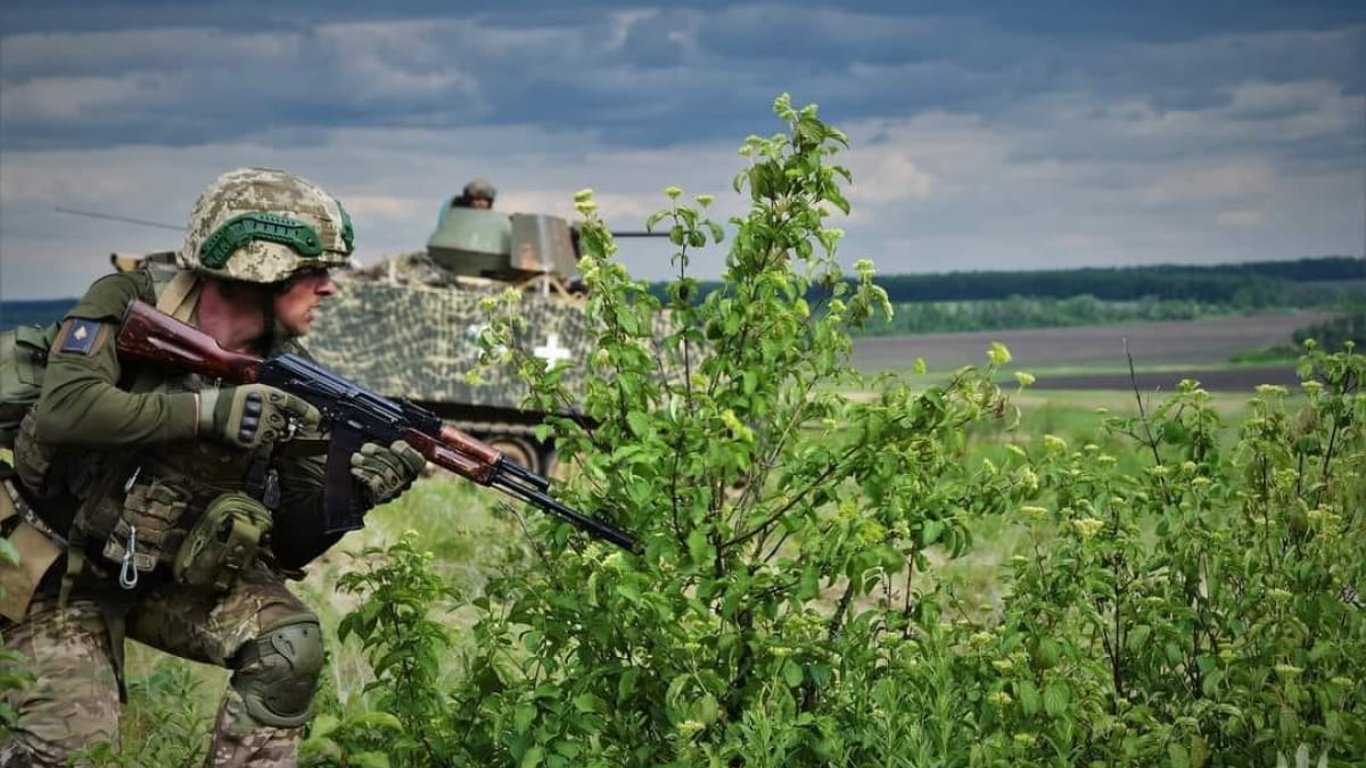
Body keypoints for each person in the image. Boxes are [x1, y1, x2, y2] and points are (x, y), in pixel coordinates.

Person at [0, 167, 427, 767]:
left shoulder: (294, 378)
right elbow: (65, 410)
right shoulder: (130, 301)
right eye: (313, 273)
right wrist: (205, 411)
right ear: (260, 269)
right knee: (79, 751)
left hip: (159, 575)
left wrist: (352, 494)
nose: (329, 288)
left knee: (288, 642)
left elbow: (291, 545)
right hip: (47, 564)